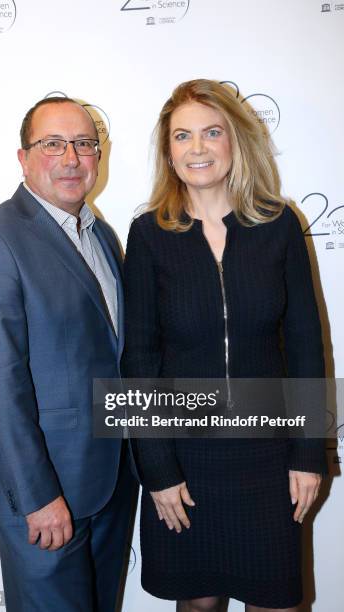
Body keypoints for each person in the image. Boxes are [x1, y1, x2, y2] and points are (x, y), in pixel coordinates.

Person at [122, 80, 327, 612]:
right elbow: (139, 362)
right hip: (186, 459)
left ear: (235, 141)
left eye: (212, 132)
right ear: (168, 151)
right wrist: (159, 471)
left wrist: (309, 452)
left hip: (268, 456)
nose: (198, 148)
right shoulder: (148, 235)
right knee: (199, 604)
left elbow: (306, 349)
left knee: (275, 602)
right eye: (182, 136)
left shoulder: (280, 225)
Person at [0, 96, 136, 612]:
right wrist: (37, 496)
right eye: (52, 144)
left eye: (84, 143)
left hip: (111, 483)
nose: (71, 157)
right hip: (43, 497)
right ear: (23, 157)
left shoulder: (101, 236)